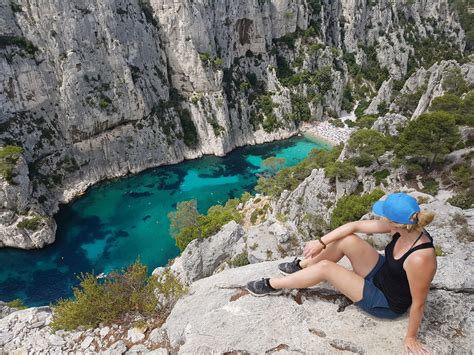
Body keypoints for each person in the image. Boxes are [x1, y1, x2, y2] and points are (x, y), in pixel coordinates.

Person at [246, 192, 436, 355]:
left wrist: (411, 337)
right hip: (381, 273)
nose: (381, 219)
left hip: (385, 301)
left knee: (326, 268)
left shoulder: (420, 258)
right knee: (348, 240)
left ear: (395, 222)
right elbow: (353, 226)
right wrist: (320, 243)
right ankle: (304, 266)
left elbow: (419, 302)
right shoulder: (406, 227)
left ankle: (272, 285)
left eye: (385, 216)